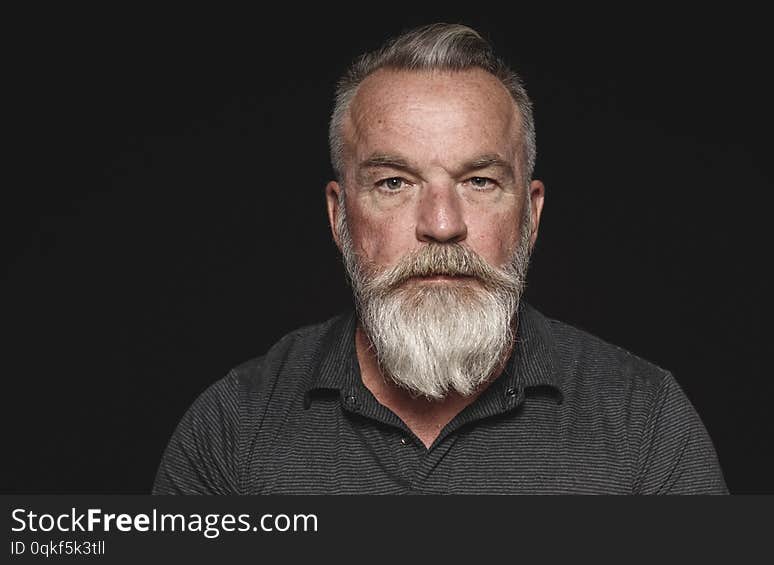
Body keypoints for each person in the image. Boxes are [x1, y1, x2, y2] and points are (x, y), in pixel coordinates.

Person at [152, 23, 727, 495]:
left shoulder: (644, 422)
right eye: (394, 182)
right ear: (338, 215)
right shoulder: (233, 431)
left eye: (478, 181)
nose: (443, 225)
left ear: (530, 215)